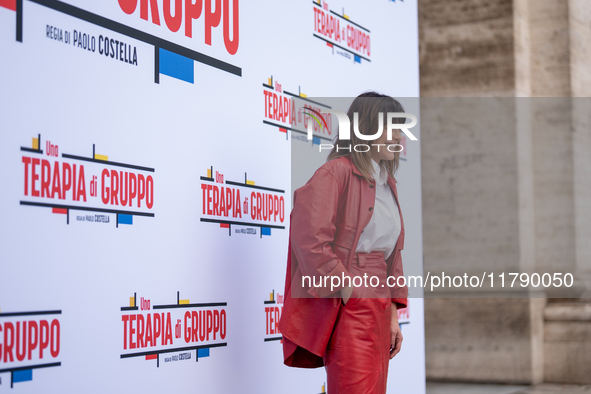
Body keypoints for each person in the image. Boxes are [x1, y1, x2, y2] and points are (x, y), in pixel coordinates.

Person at [278, 92, 409, 393]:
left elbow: (393, 254)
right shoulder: (334, 172)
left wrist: (392, 315)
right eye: (393, 127)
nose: (400, 137)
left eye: (401, 128)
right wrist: (346, 289)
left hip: (380, 299)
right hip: (349, 298)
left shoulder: (388, 183)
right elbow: (309, 238)